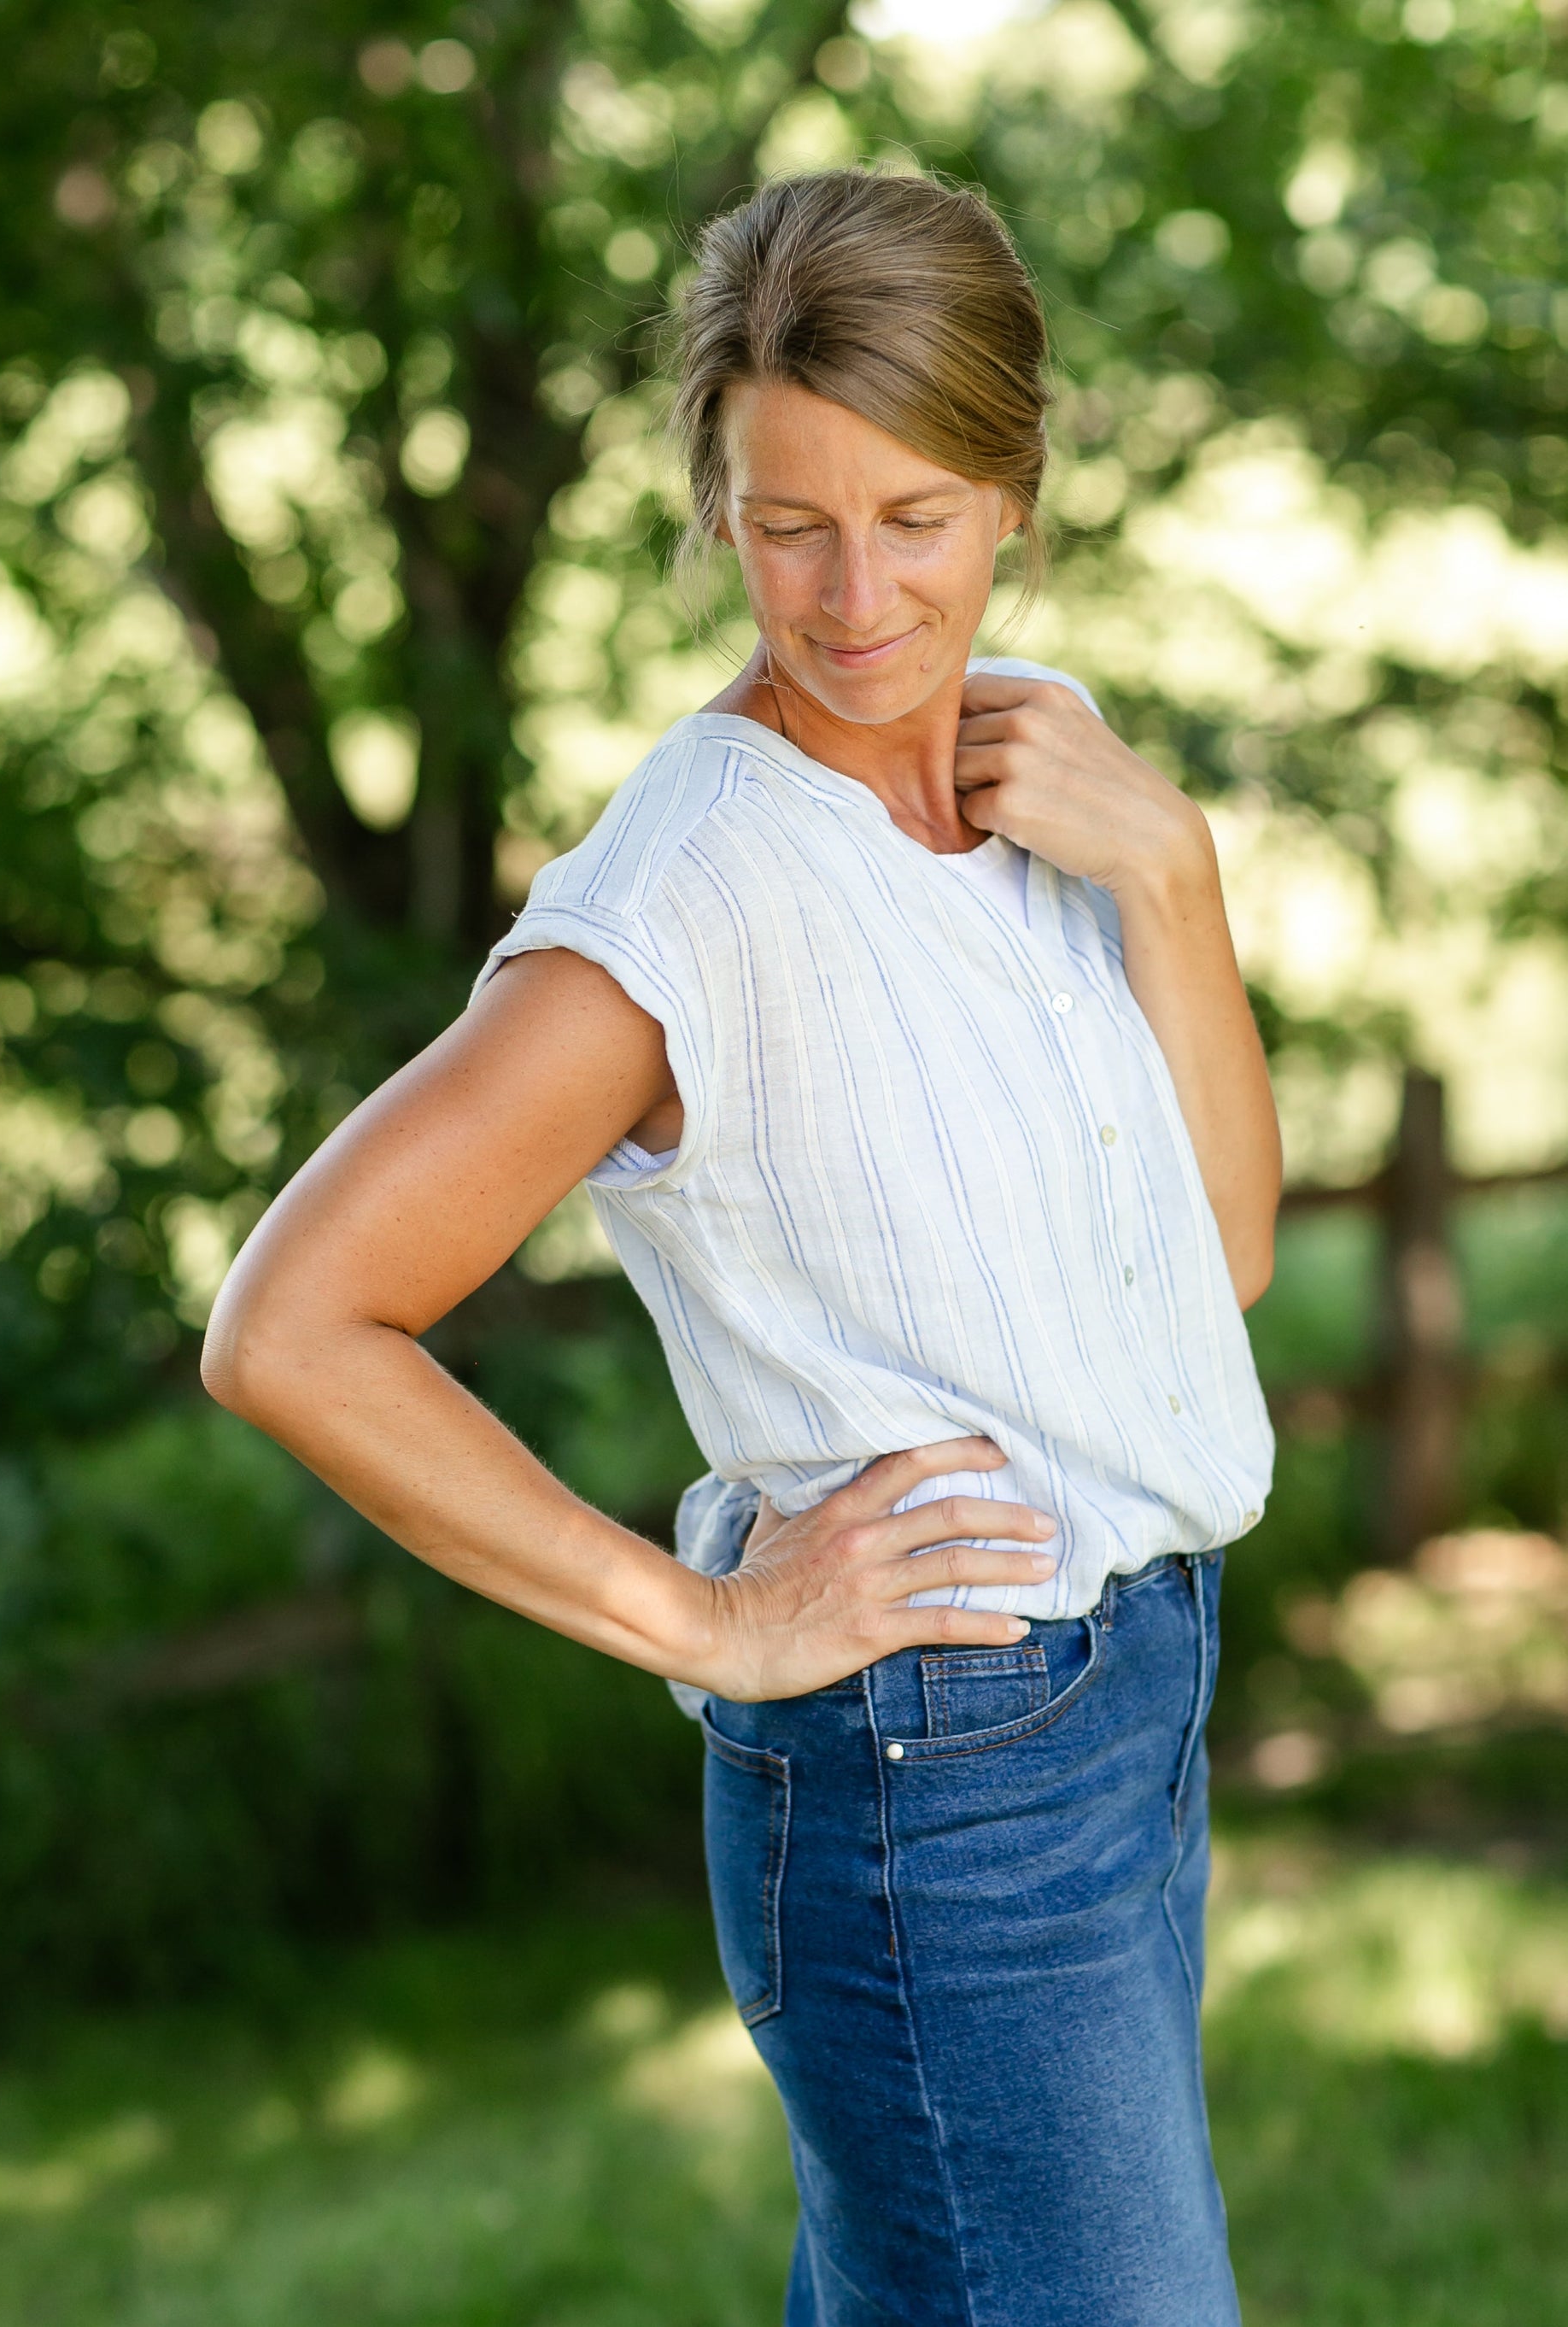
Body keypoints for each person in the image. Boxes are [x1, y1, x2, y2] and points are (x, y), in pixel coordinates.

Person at [203, 167, 1278, 2327]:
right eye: (790, 520)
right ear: (714, 503)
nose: (858, 592)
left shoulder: (1038, 773)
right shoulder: (685, 901)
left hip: (1127, 1711)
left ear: (1015, 496)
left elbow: (1219, 1267)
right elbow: (292, 1329)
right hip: (935, 1786)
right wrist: (705, 1617)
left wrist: (1167, 875)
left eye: (916, 516)